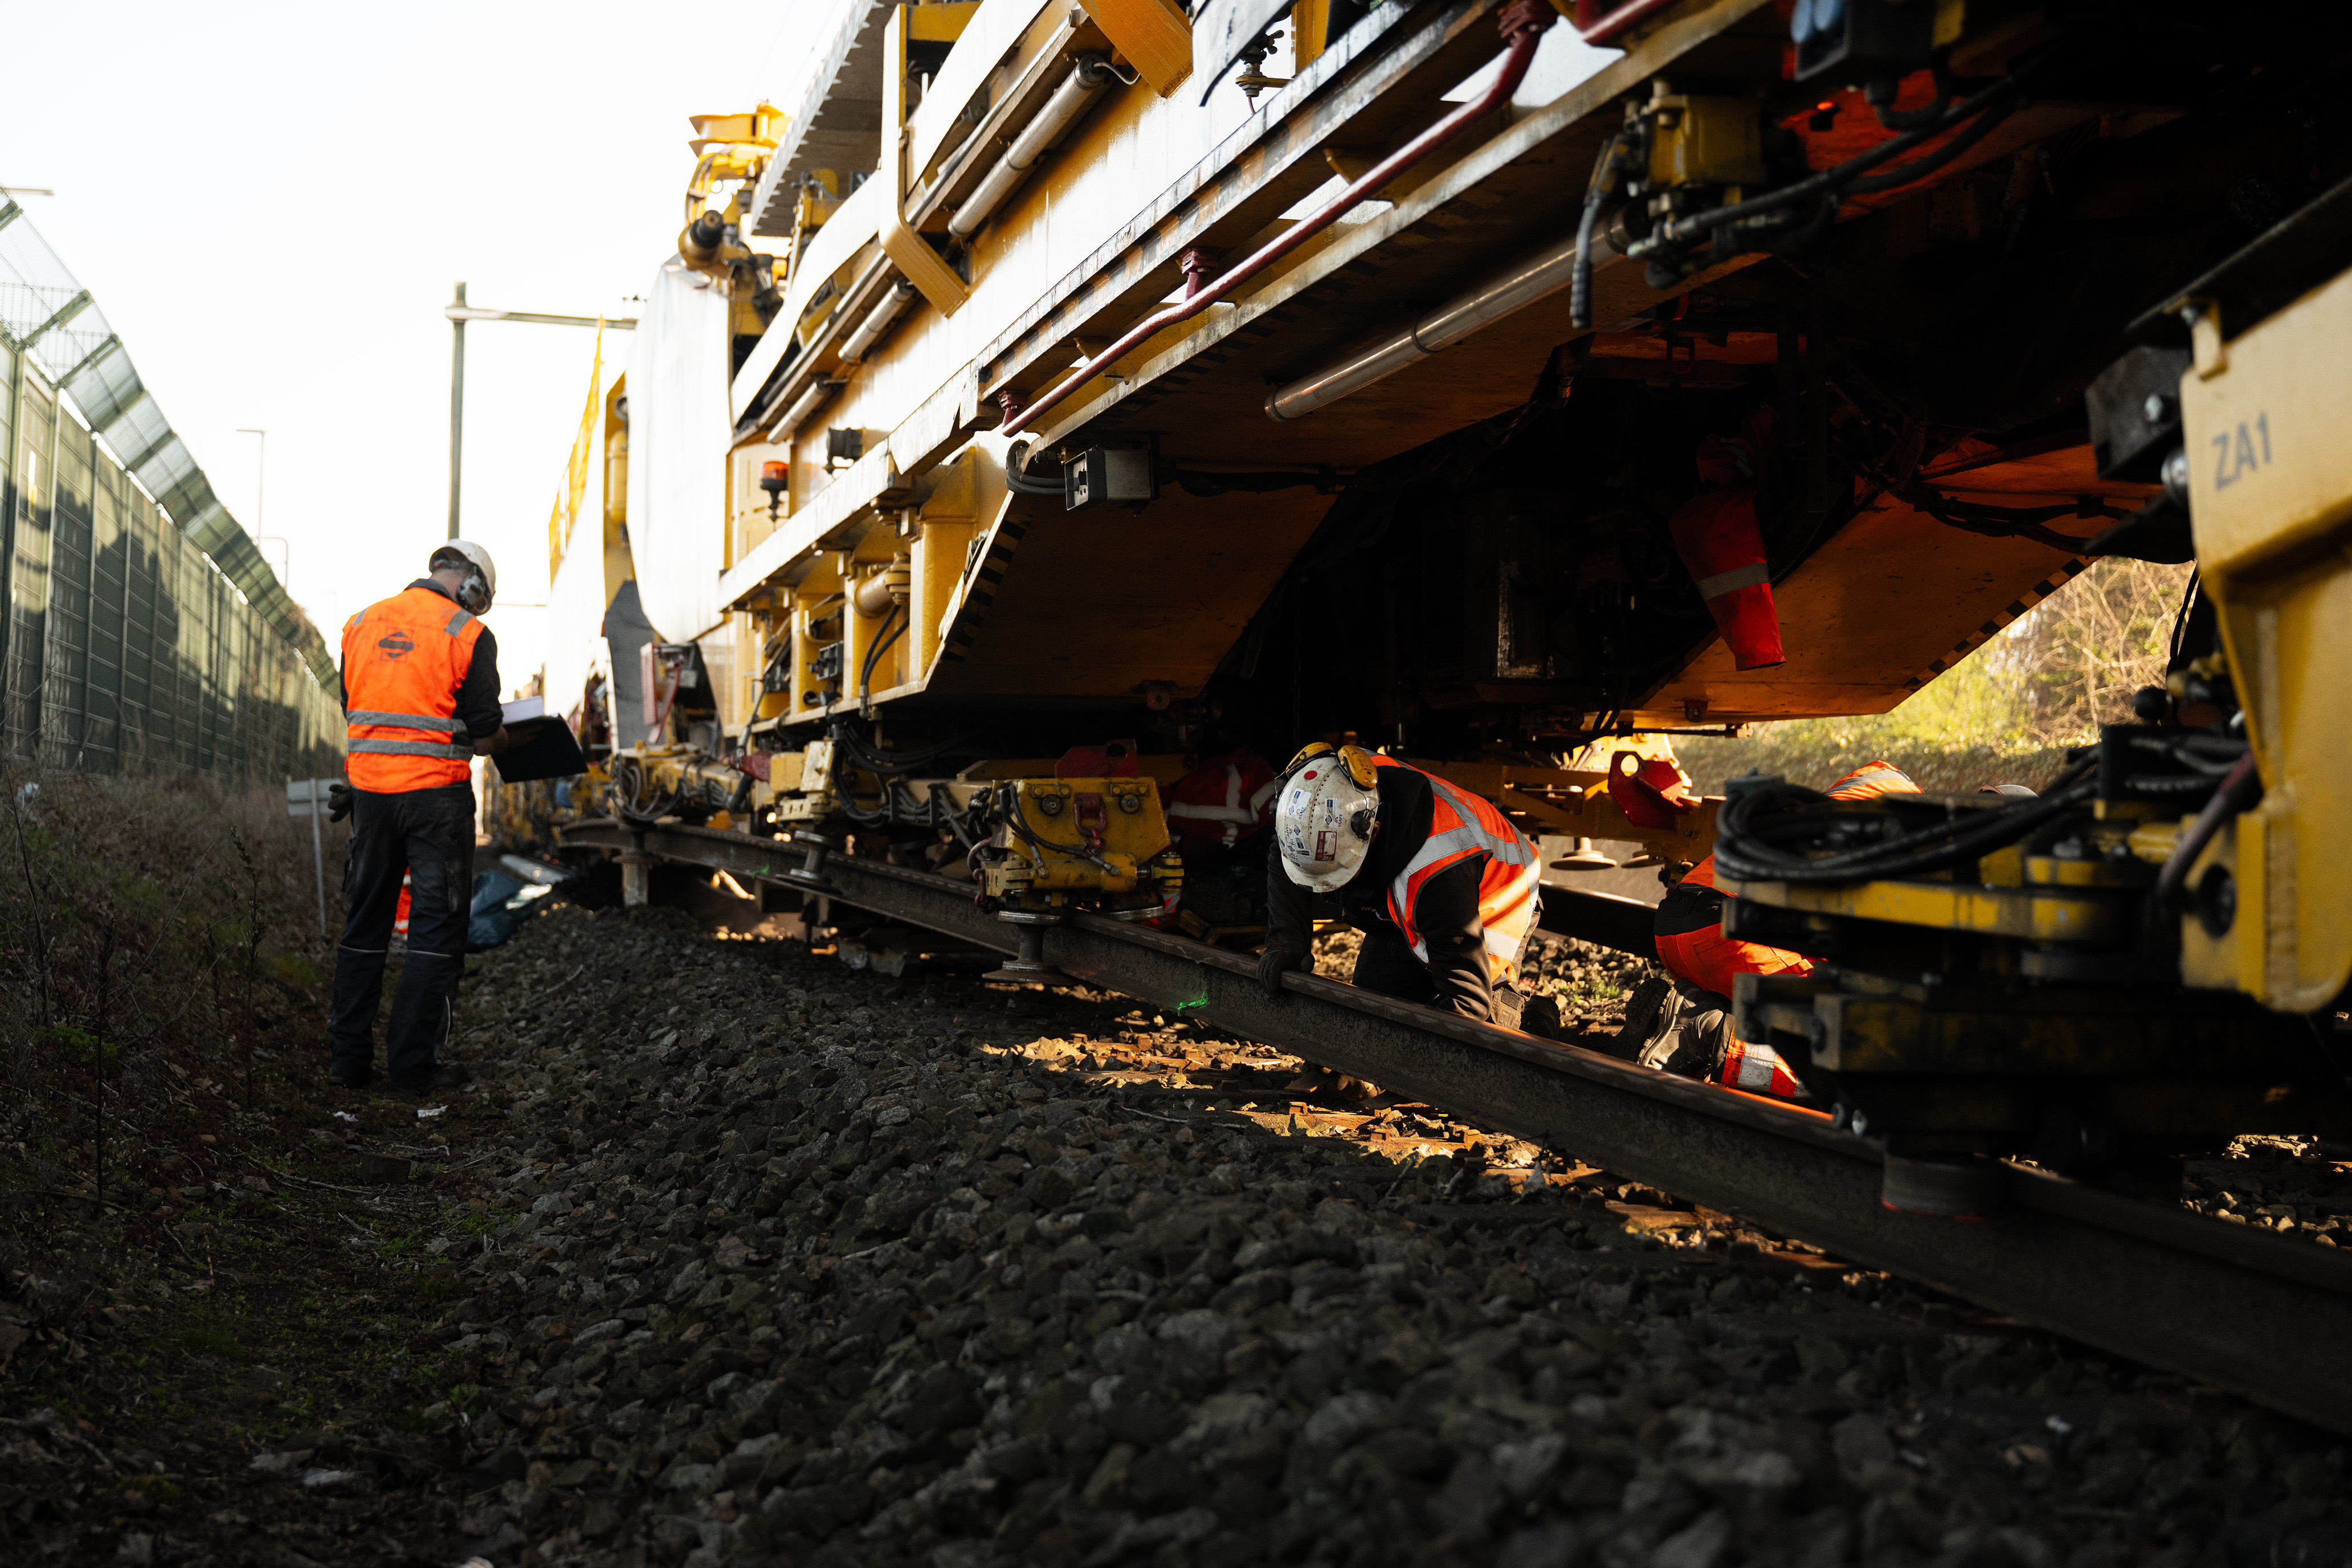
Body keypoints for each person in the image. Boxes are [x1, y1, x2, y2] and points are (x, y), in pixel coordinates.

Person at [328, 542, 510, 1094]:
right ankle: (412, 1070)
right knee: (435, 930)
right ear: (474, 586)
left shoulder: (360, 624)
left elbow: (356, 707)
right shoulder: (469, 635)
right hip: (437, 803)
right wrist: (509, 739)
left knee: (366, 925)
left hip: (370, 799)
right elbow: (483, 733)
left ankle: (349, 1065)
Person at [1636, 760, 1921, 1097]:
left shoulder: (1878, 791)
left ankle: (1673, 1015)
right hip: (1736, 936)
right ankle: (1708, 1035)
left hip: (1679, 923)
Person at [1257, 743, 1540, 1027]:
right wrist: (1287, 942)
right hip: (1419, 889)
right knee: (1368, 1017)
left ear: (1374, 833)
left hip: (1496, 888)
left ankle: (1537, 1020)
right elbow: (1288, 857)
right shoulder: (1331, 788)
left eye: (1340, 873)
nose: (1324, 890)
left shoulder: (1438, 877)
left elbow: (1467, 1003)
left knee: (1483, 1040)